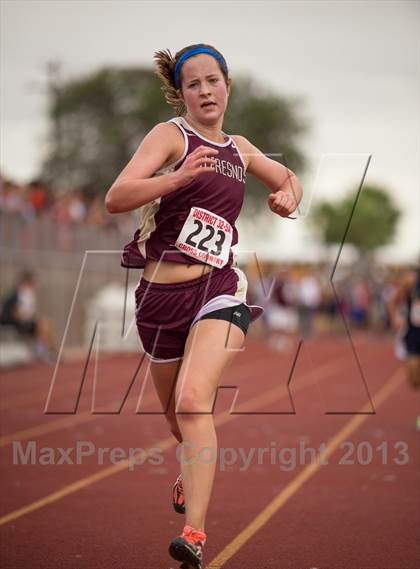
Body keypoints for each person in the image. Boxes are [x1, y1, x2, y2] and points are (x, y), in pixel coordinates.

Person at [105, 43, 302, 568]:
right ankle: (188, 467)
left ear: (227, 85)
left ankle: (193, 534)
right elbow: (117, 196)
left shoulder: (239, 146)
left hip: (218, 286)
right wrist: (180, 176)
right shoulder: (171, 136)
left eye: (213, 80)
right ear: (181, 94)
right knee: (178, 419)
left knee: (195, 403)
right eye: (193, 84)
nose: (205, 91)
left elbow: (287, 177)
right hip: (158, 298)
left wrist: (290, 195)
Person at [388, 263, 420, 430]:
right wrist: (395, 318)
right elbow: (393, 301)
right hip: (414, 335)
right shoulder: (411, 280)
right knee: (414, 380)